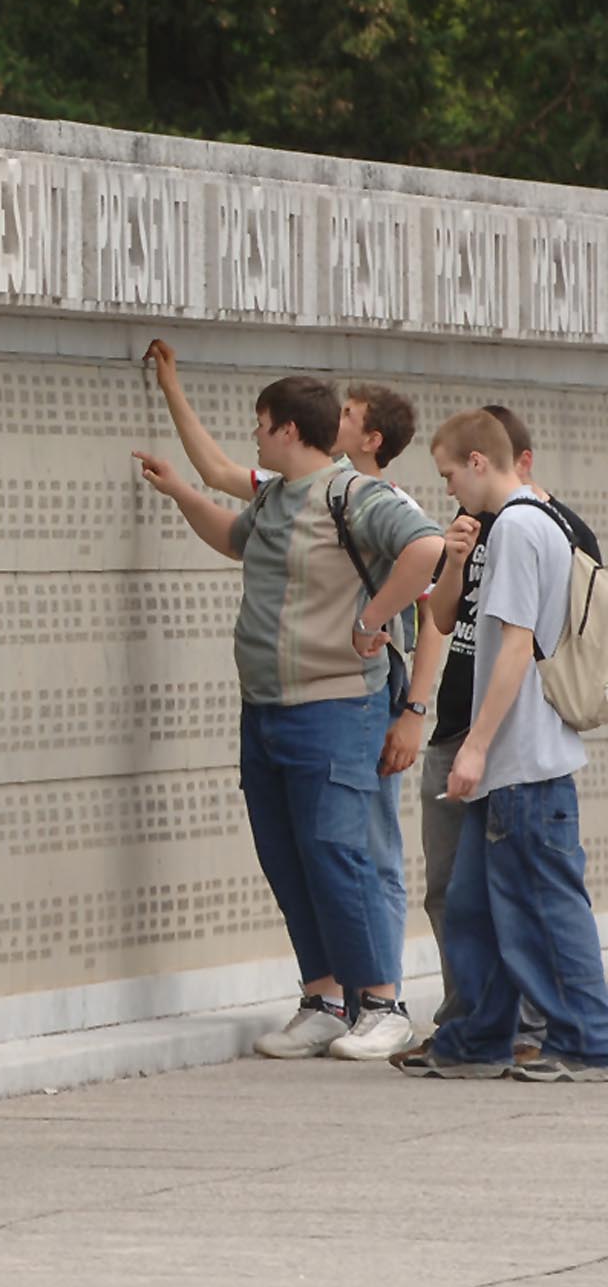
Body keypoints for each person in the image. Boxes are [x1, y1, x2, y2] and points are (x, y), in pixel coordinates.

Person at [136, 374, 443, 1060]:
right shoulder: (276, 496)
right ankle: (325, 998)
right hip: (267, 707)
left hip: (336, 704)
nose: (254, 433)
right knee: (286, 854)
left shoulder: (356, 496)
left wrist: (370, 619)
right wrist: (183, 492)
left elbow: (426, 548)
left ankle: (383, 1001)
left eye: (261, 422)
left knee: (339, 851)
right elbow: (235, 537)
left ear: (289, 431)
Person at [395, 409, 608, 1082]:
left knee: (543, 907)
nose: (451, 487)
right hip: (516, 765)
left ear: (479, 462)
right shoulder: (533, 522)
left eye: (450, 472)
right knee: (474, 907)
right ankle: (474, 1038)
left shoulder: (516, 527)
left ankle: (587, 1041)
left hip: (521, 762)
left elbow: (516, 645)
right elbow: (452, 618)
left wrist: (475, 746)